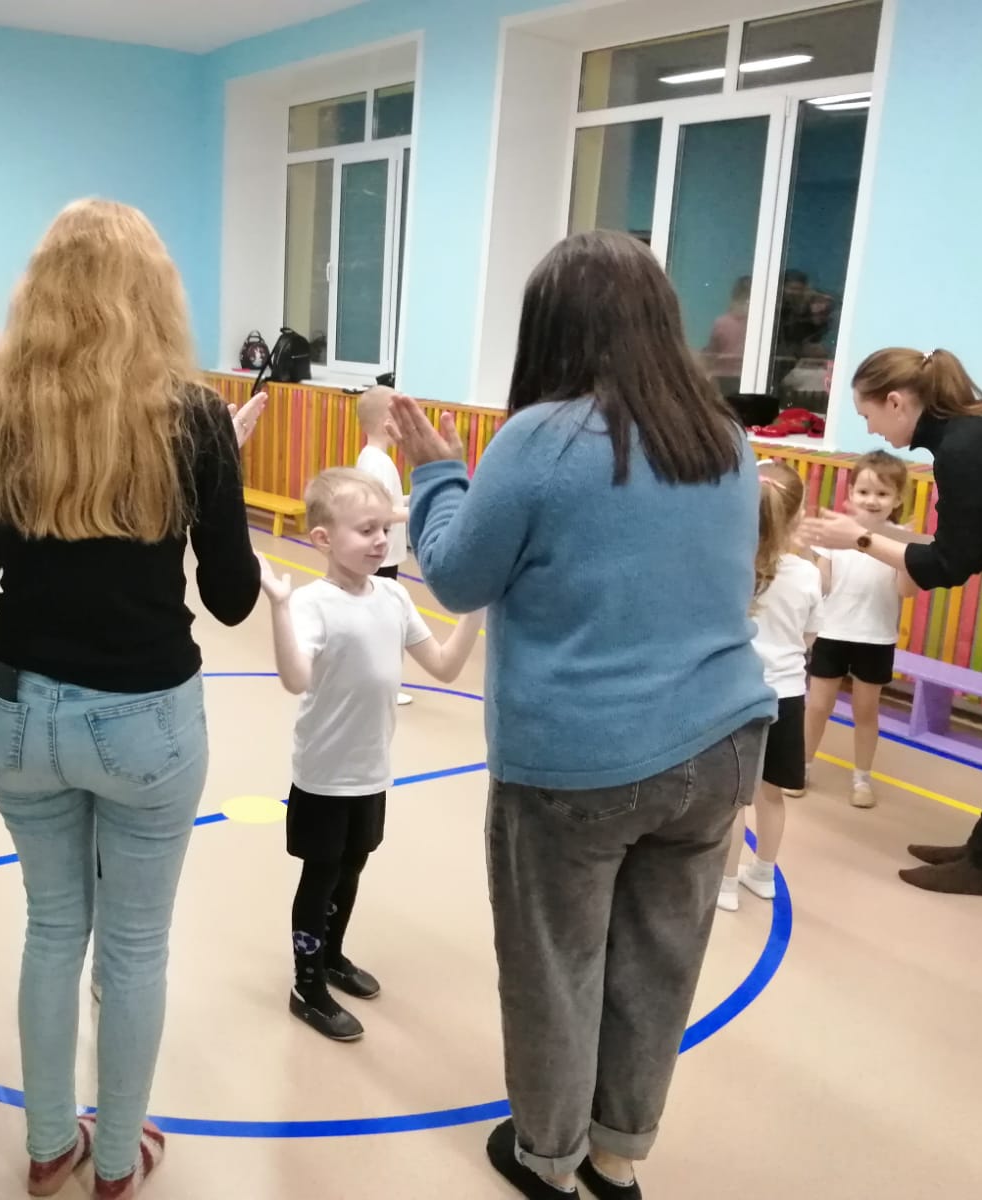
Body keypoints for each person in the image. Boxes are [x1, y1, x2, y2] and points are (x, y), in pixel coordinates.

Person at [389, 230, 775, 1200]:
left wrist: (437, 473)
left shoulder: (542, 438)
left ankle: (548, 1158)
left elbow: (457, 577)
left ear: (550, 328)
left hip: (582, 759)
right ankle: (617, 1155)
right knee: (660, 962)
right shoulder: (723, 437)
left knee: (555, 965)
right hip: (721, 744)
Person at [0, 199, 262, 1200]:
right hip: (147, 721)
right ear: (153, 295)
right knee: (134, 944)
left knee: (50, 929)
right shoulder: (193, 418)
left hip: (18, 716)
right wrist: (222, 472)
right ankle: (116, 1159)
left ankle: (48, 1145)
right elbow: (233, 597)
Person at [260, 467, 481, 1042]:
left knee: (353, 866)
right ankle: (306, 984)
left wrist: (476, 609)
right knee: (321, 875)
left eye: (385, 528)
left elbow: (444, 666)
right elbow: (295, 678)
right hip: (324, 776)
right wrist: (279, 608)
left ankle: (331, 955)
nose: (382, 540)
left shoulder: (395, 596)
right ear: (323, 539)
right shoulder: (312, 604)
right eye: (366, 530)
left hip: (371, 772)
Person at [803, 347, 982, 897]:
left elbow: (949, 565)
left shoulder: (962, 448)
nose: (871, 430)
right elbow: (966, 552)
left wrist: (860, 539)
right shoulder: (973, 432)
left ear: (896, 402)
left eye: (867, 416)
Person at [719, 463, 822, 912]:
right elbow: (809, 638)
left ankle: (724, 884)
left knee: (733, 799)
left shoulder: (731, 566)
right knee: (771, 795)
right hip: (788, 696)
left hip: (739, 695)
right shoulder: (808, 574)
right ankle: (763, 874)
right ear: (797, 517)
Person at [802, 450, 916, 807]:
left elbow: (906, 591)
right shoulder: (836, 535)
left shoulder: (900, 540)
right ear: (850, 493)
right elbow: (822, 584)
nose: (872, 500)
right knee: (817, 706)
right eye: (864, 491)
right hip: (831, 633)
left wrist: (910, 557)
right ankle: (801, 767)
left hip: (875, 637)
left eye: (882, 493)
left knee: (865, 712)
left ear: (897, 499)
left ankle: (862, 778)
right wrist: (804, 553)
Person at [354, 386, 416, 706]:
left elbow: (389, 502)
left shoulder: (373, 459)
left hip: (381, 558)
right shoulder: (377, 463)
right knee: (381, 623)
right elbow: (382, 513)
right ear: (386, 422)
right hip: (381, 560)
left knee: (379, 620)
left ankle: (375, 681)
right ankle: (381, 685)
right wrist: (420, 509)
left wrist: (412, 499)